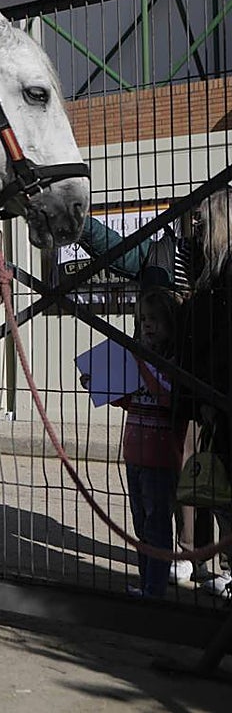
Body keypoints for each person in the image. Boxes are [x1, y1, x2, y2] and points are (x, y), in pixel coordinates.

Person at [177, 188, 232, 598]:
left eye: (201, 220)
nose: (195, 227)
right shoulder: (207, 268)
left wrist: (214, 397)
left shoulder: (227, 272)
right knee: (209, 487)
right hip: (206, 397)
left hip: (220, 396)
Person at [113, 287, 185, 597]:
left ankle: (155, 589)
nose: (147, 326)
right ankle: (146, 584)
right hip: (134, 451)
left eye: (154, 319)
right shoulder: (140, 361)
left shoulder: (174, 362)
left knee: (157, 524)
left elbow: (166, 396)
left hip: (160, 457)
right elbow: (132, 399)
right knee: (140, 524)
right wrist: (106, 387)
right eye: (143, 320)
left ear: (170, 323)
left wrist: (142, 363)